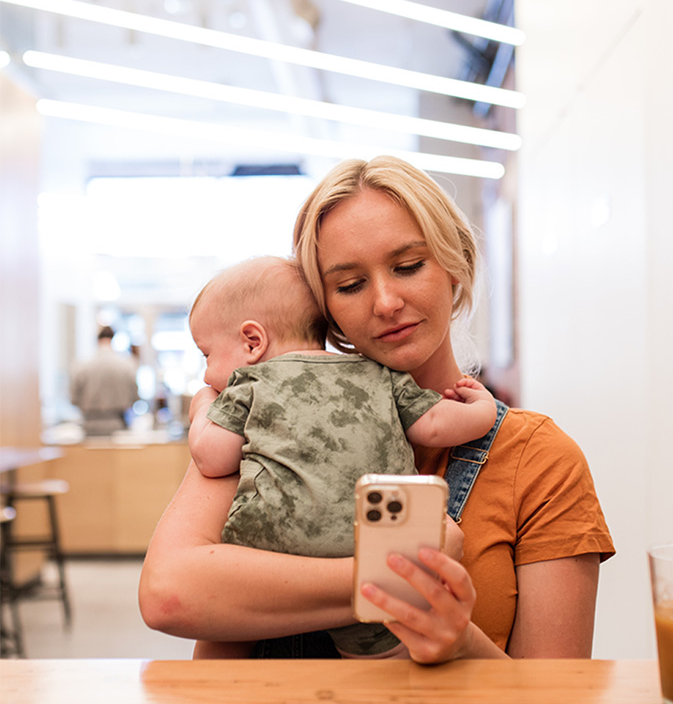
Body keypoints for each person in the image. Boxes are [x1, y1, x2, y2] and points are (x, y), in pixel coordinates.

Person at [139, 155, 615, 662]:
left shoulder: (540, 461)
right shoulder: (260, 420)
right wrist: (392, 577)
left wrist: (460, 644)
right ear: (326, 310)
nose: (386, 302)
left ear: (456, 265)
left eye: (408, 266)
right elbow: (169, 594)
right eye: (349, 285)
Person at [187, 255, 496, 659]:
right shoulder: (378, 377)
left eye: (206, 355)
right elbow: (438, 427)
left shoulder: (250, 384)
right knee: (384, 656)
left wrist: (201, 409)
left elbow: (212, 458)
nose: (207, 374)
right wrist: (484, 407)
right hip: (377, 550)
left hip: (268, 567)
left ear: (252, 341)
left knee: (225, 641)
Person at [70, 326, 139, 436]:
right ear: (113, 339)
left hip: (89, 426)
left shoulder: (81, 366)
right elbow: (135, 397)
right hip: (118, 426)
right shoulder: (127, 365)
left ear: (97, 340)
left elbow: (74, 399)